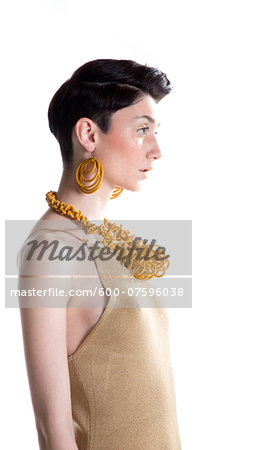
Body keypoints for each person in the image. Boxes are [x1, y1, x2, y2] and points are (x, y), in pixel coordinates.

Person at [17, 59, 182, 449]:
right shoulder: (50, 251)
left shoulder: (104, 239)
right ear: (88, 134)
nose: (156, 150)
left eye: (155, 132)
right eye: (142, 130)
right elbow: (52, 431)